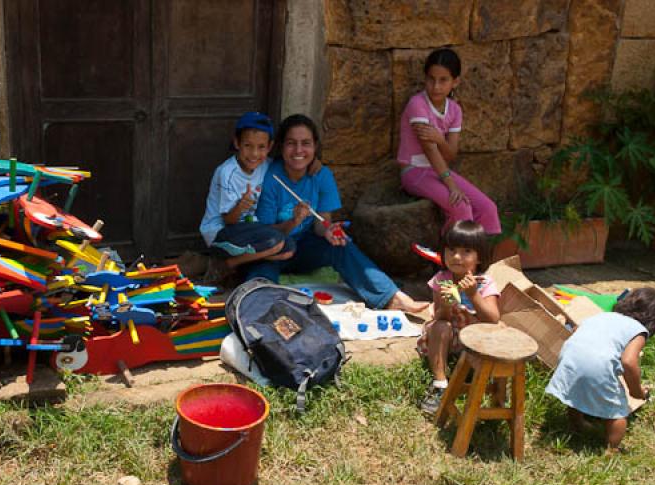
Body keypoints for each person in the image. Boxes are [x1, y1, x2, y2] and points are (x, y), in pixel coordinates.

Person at [246, 113, 428, 314]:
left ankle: (391, 297)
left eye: (306, 143)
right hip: (275, 250)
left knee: (342, 246)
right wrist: (293, 221)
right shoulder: (272, 177)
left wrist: (328, 231)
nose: (298, 150)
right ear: (281, 147)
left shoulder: (322, 175)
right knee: (258, 280)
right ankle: (263, 311)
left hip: (305, 247)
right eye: (291, 143)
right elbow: (266, 235)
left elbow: (321, 223)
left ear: (315, 146)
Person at [545, 288, 655, 451]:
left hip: (569, 357)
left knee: (577, 390)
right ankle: (612, 450)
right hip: (596, 365)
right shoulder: (638, 331)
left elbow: (577, 330)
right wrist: (636, 391)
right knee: (618, 411)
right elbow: (629, 362)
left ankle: (577, 424)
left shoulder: (602, 315)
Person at [398, 48, 501, 235]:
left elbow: (450, 154)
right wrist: (451, 186)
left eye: (443, 80)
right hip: (414, 172)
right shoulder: (417, 105)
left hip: (439, 171)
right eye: (431, 79)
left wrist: (439, 139)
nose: (436, 86)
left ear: (455, 82)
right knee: (460, 206)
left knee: (488, 209)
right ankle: (451, 259)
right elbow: (429, 150)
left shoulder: (454, 110)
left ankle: (482, 259)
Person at [416, 220, 500, 414]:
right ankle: (439, 382)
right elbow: (440, 316)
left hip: (476, 338)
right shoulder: (441, 280)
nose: (456, 257)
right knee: (438, 327)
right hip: (452, 336)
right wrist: (446, 304)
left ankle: (482, 373)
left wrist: (473, 294)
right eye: (451, 250)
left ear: (480, 257)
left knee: (499, 328)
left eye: (466, 251)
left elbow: (492, 319)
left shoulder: (485, 283)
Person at [199, 112, 295, 274]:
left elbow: (290, 164)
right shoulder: (227, 173)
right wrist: (241, 206)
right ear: (237, 143)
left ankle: (236, 262)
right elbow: (229, 220)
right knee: (276, 242)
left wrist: (315, 163)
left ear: (270, 147)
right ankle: (226, 265)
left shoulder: (266, 165)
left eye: (261, 147)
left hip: (249, 229)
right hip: (220, 232)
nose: (254, 154)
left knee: (289, 248)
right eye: (248, 146)